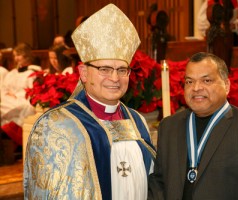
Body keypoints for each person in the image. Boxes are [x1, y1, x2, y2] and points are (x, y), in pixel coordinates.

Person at [24, 4, 156, 199]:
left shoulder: (137, 121)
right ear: (83, 73)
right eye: (104, 69)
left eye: (122, 70)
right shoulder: (56, 126)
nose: (114, 78)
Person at [148, 52, 238, 199]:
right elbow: (158, 184)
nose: (196, 88)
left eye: (206, 81)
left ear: (226, 85)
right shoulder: (169, 126)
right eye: (189, 81)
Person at [0, 42, 41, 146]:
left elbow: (32, 91)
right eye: (14, 55)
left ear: (26, 55)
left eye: (18, 55)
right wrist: (9, 95)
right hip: (8, 100)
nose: (16, 58)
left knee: (25, 107)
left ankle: (10, 133)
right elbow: (4, 90)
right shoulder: (11, 73)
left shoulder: (32, 72)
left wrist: (17, 96)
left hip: (23, 100)